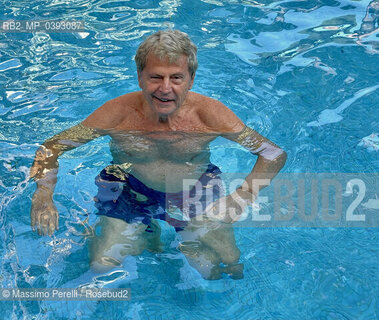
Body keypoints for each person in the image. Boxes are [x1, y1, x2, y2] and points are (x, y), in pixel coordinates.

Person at [30, 30, 287, 280]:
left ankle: (157, 233)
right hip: (131, 188)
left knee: (223, 266)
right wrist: (43, 195)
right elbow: (52, 147)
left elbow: (273, 153)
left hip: (194, 187)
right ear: (140, 76)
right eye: (156, 77)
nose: (165, 88)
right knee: (101, 265)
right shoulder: (117, 113)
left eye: (176, 78)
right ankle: (146, 230)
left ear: (191, 79)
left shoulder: (210, 115)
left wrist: (243, 196)